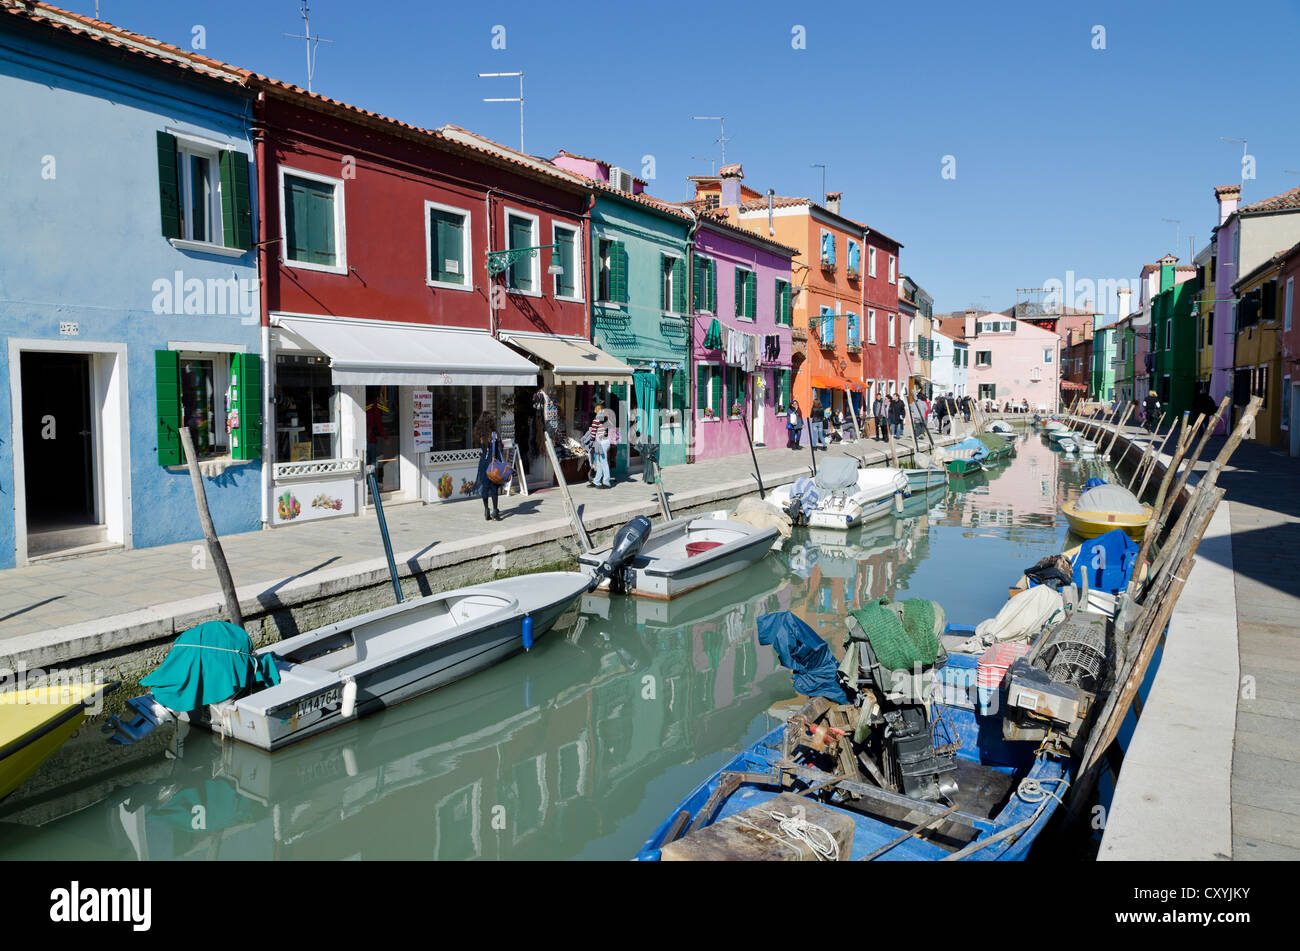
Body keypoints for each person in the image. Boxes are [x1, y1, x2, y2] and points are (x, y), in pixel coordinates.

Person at [474, 411, 504, 521]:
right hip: (492, 463)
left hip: (483, 462)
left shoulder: (479, 434)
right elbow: (500, 448)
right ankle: (495, 510)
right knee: (494, 486)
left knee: (485, 487)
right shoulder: (494, 434)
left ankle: (486, 509)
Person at [586, 403, 614, 488]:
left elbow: (593, 434)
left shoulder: (596, 420)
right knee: (600, 462)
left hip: (600, 443)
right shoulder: (607, 419)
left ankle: (606, 482)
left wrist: (590, 442)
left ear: (596, 410)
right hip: (605, 442)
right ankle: (597, 481)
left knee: (603, 462)